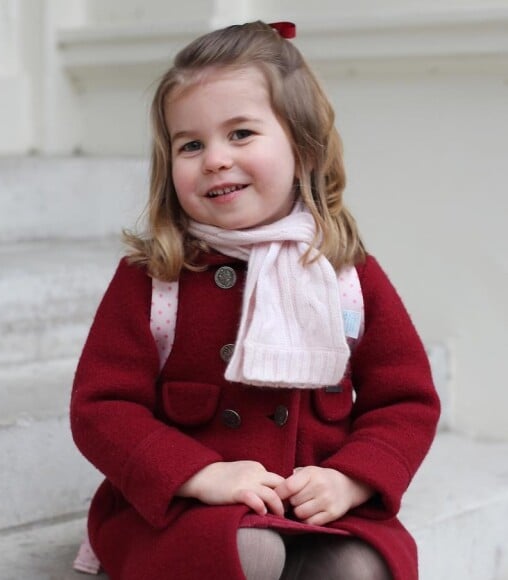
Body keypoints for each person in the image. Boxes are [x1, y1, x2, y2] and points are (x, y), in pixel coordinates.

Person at [70, 20, 440, 580]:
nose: (215, 158)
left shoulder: (342, 272)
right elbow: (101, 408)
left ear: (304, 147)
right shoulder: (159, 277)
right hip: (189, 506)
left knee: (361, 567)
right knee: (249, 555)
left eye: (240, 133)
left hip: (315, 504)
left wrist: (351, 479)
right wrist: (198, 475)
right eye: (190, 144)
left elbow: (405, 400)